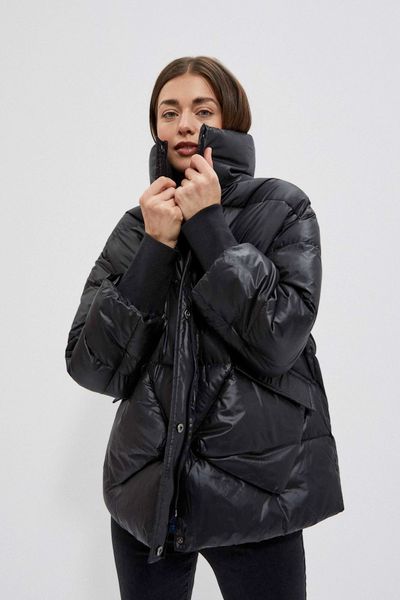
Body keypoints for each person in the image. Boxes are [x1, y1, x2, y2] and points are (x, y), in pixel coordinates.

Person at [65, 55, 344, 599]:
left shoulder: (283, 208)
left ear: (231, 120)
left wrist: (210, 224)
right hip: (148, 495)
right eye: (169, 112)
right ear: (156, 128)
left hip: (258, 496)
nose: (184, 125)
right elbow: (91, 366)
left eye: (202, 110)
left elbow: (279, 339)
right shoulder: (138, 225)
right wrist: (155, 247)